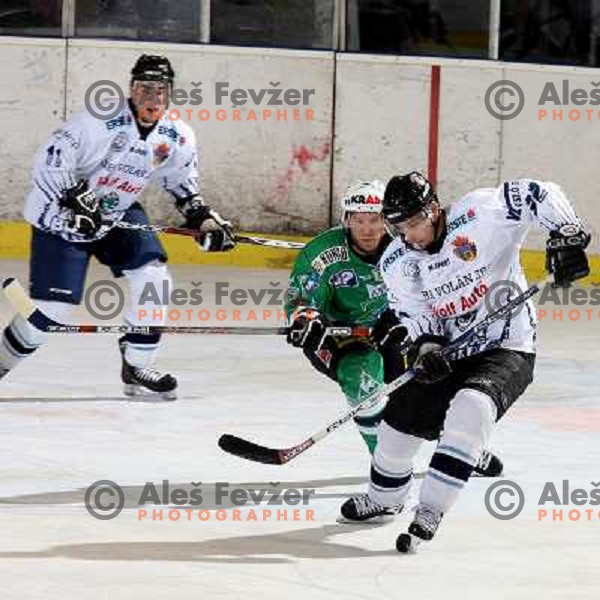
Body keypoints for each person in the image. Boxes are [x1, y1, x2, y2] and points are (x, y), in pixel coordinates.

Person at [339, 172, 590, 552]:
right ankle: (385, 498)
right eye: (398, 227)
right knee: (399, 422)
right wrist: (425, 347)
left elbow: (538, 192)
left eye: (412, 224)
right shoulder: (398, 260)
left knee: (472, 408)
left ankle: (431, 509)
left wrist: (566, 233)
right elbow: (415, 313)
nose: (407, 236)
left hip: (507, 346)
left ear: (433, 210)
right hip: (451, 353)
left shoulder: (481, 213)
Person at [0, 54, 235, 399]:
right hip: (62, 218)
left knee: (154, 278)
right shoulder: (98, 121)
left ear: (170, 94)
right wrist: (74, 198)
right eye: (144, 89)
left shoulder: (178, 135)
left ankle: (138, 363)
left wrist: (205, 220)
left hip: (117, 213)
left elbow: (183, 187)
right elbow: (51, 158)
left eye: (160, 89)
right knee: (53, 311)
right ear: (131, 90)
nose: (151, 97)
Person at [285, 180, 503, 476]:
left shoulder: (407, 251)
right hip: (340, 337)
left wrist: (399, 323)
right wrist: (305, 319)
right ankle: (387, 468)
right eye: (358, 220)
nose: (367, 229)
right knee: (360, 378)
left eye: (374, 220)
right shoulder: (322, 252)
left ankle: (459, 448)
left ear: (387, 221)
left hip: (391, 331)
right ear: (346, 220)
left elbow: (428, 298)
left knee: (421, 393)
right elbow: (301, 295)